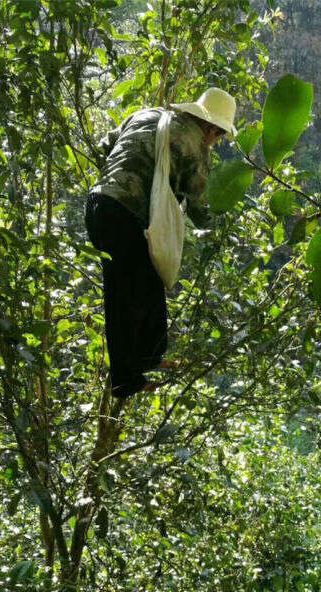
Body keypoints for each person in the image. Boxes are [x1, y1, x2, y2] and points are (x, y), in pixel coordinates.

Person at [85, 87, 237, 399]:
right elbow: (198, 206)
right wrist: (220, 229)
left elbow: (105, 145)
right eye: (219, 136)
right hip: (126, 214)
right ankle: (126, 379)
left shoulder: (145, 114)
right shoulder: (196, 145)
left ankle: (148, 358)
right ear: (212, 128)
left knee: (138, 284)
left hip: (98, 204)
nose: (216, 141)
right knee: (128, 294)